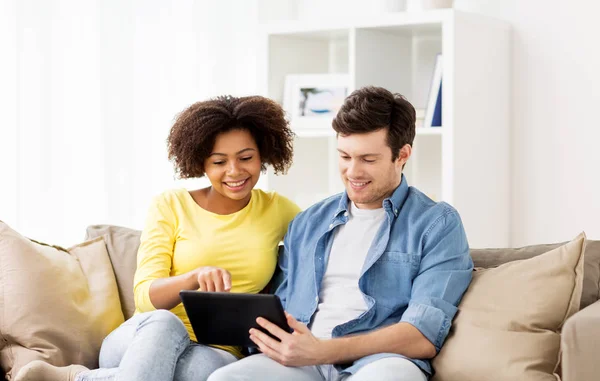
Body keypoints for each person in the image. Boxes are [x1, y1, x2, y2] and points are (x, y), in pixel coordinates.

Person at [15, 95, 301, 381]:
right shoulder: (171, 205)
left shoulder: (278, 210)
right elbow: (146, 297)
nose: (234, 171)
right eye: (219, 162)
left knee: (199, 373)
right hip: (143, 336)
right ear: (201, 163)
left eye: (246, 158)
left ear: (263, 154)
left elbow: (326, 239)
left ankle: (78, 378)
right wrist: (194, 278)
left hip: (216, 349)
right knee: (166, 324)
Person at [208, 86, 474, 381]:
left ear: (402, 155)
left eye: (368, 159)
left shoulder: (436, 223)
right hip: (300, 363)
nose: (352, 172)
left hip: (380, 362)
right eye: (345, 156)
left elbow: (423, 335)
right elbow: (282, 308)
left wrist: (323, 350)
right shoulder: (308, 222)